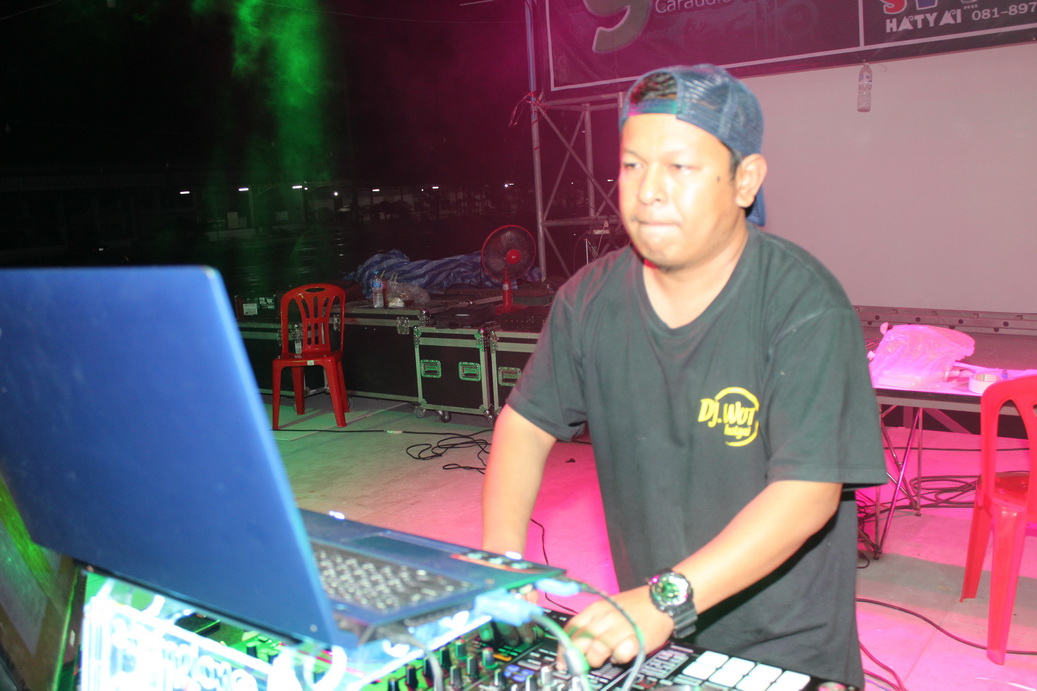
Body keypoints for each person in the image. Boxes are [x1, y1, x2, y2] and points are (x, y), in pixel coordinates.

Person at [481, 64, 888, 688]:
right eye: (633, 165)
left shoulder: (803, 302)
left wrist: (664, 600)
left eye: (680, 167)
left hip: (784, 646)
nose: (648, 191)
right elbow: (524, 425)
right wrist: (503, 559)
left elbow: (806, 494)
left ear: (745, 180)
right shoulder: (587, 300)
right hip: (655, 639)